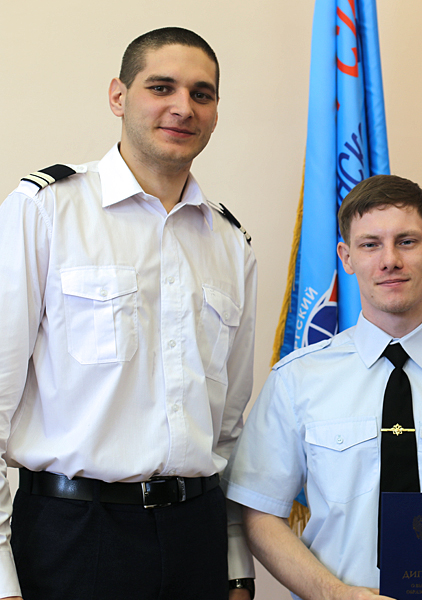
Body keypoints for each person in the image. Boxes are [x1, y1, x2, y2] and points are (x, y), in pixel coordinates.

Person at [0, 27, 257, 600]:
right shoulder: (45, 212)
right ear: (118, 96)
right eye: (160, 87)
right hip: (72, 535)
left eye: (202, 94)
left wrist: (236, 564)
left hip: (195, 537)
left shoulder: (231, 244)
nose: (182, 107)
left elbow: (231, 428)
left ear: (215, 112)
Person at [223, 174, 422, 600]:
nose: (389, 260)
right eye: (370, 244)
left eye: (406, 241)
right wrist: (333, 594)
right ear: (347, 256)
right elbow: (259, 511)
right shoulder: (296, 380)